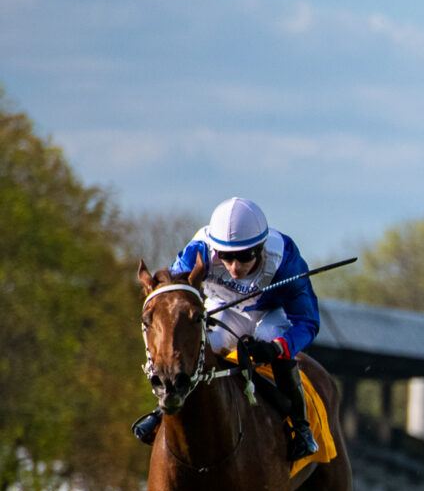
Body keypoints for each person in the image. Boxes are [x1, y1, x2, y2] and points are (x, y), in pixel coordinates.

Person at [132, 197, 322, 459]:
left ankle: (301, 427)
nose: (234, 267)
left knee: (269, 336)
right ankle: (163, 408)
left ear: (262, 247)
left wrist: (278, 347)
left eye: (244, 257)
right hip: (222, 308)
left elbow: (308, 322)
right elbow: (172, 296)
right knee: (199, 343)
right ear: (215, 249)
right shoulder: (197, 251)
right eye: (226, 257)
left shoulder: (286, 260)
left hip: (269, 314)